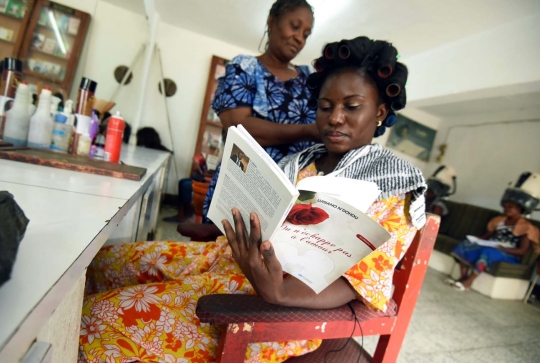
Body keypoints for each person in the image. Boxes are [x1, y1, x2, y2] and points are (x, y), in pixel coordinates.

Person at [79, 36, 426, 363]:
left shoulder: (394, 183)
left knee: (94, 318)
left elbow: (359, 280)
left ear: (380, 112)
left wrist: (280, 294)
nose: (335, 117)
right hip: (226, 260)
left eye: (352, 106)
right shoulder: (301, 161)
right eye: (325, 106)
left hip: (276, 307)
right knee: (100, 262)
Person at [201, 0, 319, 223]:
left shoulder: (308, 79)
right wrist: (308, 131)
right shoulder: (244, 68)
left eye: (306, 34)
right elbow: (240, 129)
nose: (299, 38)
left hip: (292, 198)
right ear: (272, 21)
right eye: (294, 26)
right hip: (242, 187)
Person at [449, 182, 539, 291]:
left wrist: (503, 248)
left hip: (508, 254)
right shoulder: (499, 221)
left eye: (510, 207)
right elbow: (486, 236)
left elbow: (522, 251)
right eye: (505, 207)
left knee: (488, 252)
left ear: (519, 209)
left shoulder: (526, 227)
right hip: (492, 246)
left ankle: (468, 282)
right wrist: (476, 239)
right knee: (465, 244)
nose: (506, 209)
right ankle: (463, 277)